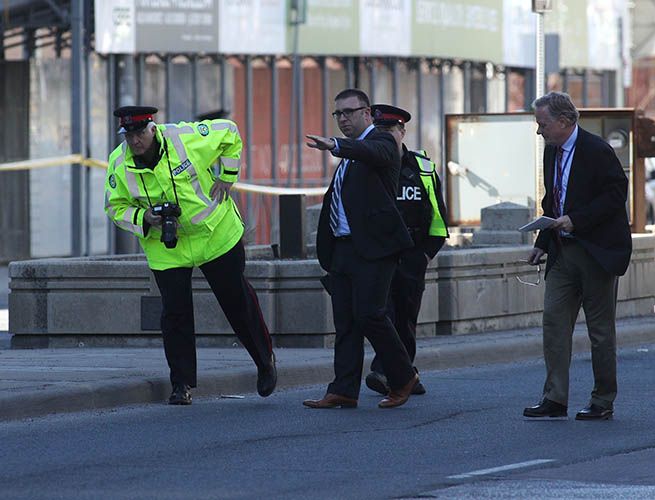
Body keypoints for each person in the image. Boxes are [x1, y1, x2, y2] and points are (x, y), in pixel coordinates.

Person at [104, 106, 276, 405]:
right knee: (175, 315)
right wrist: (145, 217)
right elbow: (115, 208)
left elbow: (230, 133)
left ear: (152, 128)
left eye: (139, 133)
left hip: (215, 233)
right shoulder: (119, 164)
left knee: (237, 301)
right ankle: (181, 384)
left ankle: (264, 362)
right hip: (167, 246)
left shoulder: (185, 138)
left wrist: (228, 175)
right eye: (128, 135)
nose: (134, 141)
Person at [302, 89, 419, 409]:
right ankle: (343, 388)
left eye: (349, 113)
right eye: (337, 114)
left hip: (374, 249)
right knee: (346, 323)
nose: (342, 120)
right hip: (343, 249)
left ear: (367, 114)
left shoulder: (381, 142)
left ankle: (403, 376)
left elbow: (372, 152)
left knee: (371, 314)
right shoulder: (353, 157)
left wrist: (336, 145)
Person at [523, 92, 632, 421]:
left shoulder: (597, 150)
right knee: (554, 324)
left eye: (543, 124)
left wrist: (578, 219)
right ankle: (555, 398)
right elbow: (552, 201)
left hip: (596, 252)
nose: (539, 131)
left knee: (599, 331)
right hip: (562, 252)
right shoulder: (551, 152)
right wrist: (542, 241)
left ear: (564, 121)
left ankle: (602, 399)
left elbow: (616, 194)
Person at [363, 104, 449, 397]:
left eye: (390, 131)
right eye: (380, 131)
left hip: (411, 254)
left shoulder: (422, 167)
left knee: (405, 319)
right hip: (378, 255)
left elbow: (438, 217)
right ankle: (387, 371)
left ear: (402, 132)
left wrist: (425, 255)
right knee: (381, 314)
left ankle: (404, 373)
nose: (386, 137)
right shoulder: (367, 166)